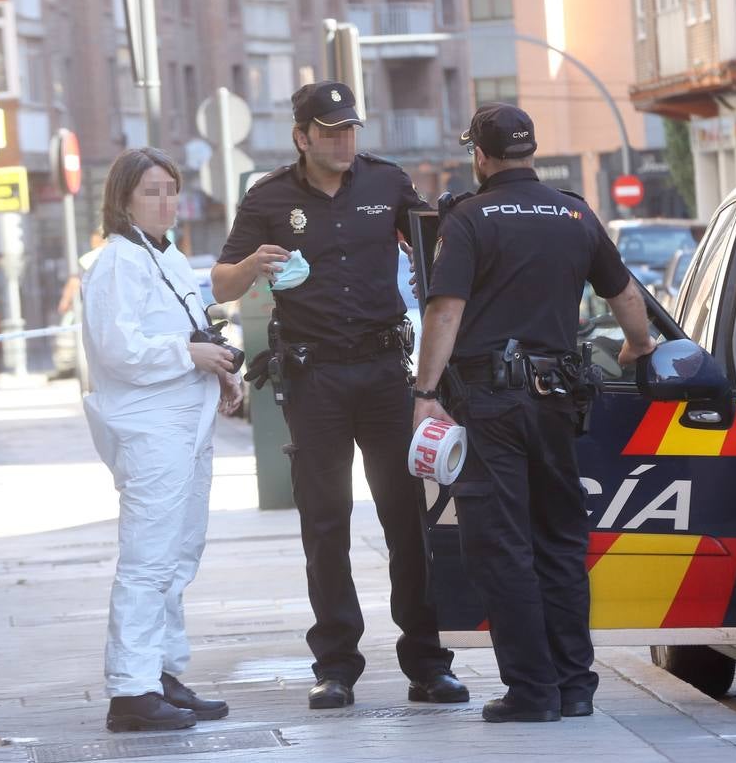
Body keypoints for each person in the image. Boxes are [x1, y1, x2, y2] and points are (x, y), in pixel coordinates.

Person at [211, 81, 466, 710]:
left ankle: (428, 665)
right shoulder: (268, 197)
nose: (342, 141)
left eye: (350, 129)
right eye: (328, 132)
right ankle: (335, 666)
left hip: (383, 371)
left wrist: (436, 247)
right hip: (315, 377)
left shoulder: (387, 183)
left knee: (406, 518)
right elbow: (221, 280)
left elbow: (432, 247)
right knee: (326, 525)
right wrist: (253, 265)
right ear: (301, 137)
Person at [411, 103, 656, 723]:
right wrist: (639, 348)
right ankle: (575, 686)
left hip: (491, 401)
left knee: (502, 547)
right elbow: (624, 293)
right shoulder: (574, 212)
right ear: (531, 152)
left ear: (481, 156)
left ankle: (531, 692)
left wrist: (425, 391)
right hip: (556, 400)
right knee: (560, 543)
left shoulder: (468, 218)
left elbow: (445, 311)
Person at [81, 148, 241, 732]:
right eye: (151, 191)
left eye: (171, 189)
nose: (165, 201)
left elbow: (190, 327)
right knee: (149, 559)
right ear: (122, 199)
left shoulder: (166, 256)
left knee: (178, 556)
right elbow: (116, 349)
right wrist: (188, 354)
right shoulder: (116, 262)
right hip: (150, 428)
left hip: (186, 423)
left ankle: (161, 673)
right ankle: (130, 688)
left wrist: (219, 368)